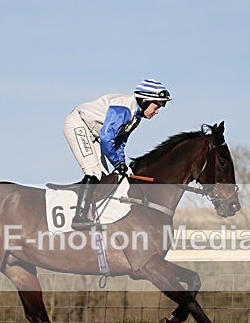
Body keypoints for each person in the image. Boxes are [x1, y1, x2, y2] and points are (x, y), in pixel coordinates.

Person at [63, 78, 172, 230]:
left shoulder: (136, 117)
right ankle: (79, 217)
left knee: (103, 175)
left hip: (94, 132)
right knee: (92, 172)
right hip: (79, 124)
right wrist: (118, 164)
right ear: (146, 101)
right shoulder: (124, 110)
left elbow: (119, 143)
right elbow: (107, 140)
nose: (157, 111)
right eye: (157, 106)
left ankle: (92, 214)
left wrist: (122, 164)